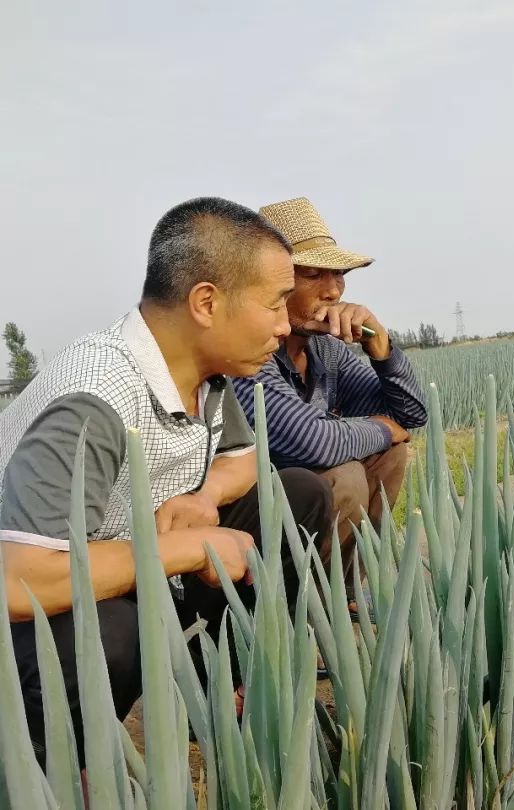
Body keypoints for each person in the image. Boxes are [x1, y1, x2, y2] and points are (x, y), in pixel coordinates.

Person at [0, 197, 334, 767]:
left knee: (299, 495)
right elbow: (17, 580)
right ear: (206, 302)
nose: (286, 325)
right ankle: (52, 769)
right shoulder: (94, 398)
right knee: (109, 635)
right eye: (276, 303)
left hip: (131, 566)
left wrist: (203, 497)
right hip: (36, 607)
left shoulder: (208, 372)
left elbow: (246, 461)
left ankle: (218, 688)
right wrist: (181, 548)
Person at [232, 197, 427, 569]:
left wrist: (381, 349)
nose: (334, 291)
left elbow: (410, 414)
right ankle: (306, 606)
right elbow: (312, 443)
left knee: (389, 455)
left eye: (338, 275)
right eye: (312, 274)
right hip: (255, 520)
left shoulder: (324, 350)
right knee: (346, 474)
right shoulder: (248, 353)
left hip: (305, 506)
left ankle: (349, 589)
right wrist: (383, 429)